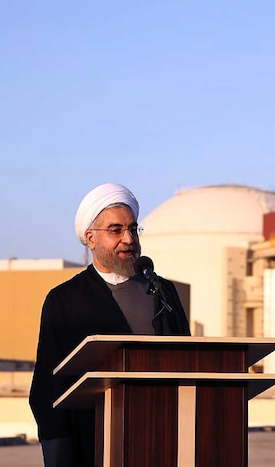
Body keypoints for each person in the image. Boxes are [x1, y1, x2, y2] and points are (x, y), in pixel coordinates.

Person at [29, 183, 191, 467]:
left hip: (162, 440)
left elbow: (190, 362)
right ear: (90, 239)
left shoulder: (161, 291)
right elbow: (48, 390)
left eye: (133, 229)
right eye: (116, 230)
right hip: (93, 445)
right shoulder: (65, 300)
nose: (128, 239)